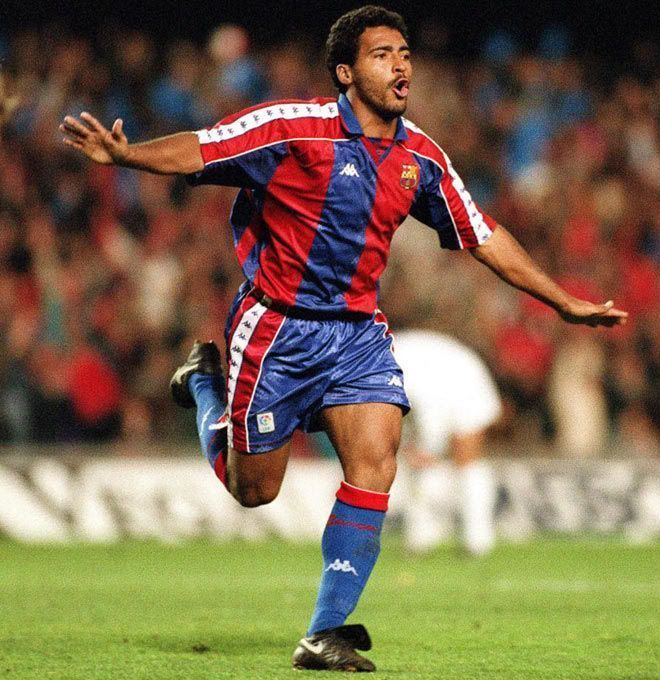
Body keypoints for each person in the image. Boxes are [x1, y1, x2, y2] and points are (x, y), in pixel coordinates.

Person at [60, 5, 627, 672]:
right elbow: (205, 147)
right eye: (383, 54)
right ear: (346, 72)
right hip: (276, 329)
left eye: (405, 53)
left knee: (377, 461)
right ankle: (207, 385)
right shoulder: (294, 128)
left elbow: (482, 233)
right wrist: (126, 155)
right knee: (254, 490)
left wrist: (561, 300)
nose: (401, 66)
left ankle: (325, 632)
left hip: (357, 334)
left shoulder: (420, 157)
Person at [394, 329, 502, 556]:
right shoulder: (381, 358)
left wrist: (429, 447)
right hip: (445, 383)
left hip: (465, 384)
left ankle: (477, 538)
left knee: (466, 462)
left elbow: (428, 402)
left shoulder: (388, 365)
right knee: (418, 462)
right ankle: (421, 534)